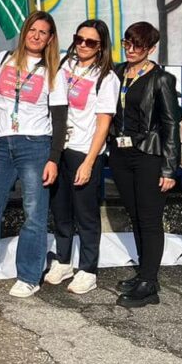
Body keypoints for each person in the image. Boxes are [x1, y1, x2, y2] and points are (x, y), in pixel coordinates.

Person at [0, 11, 68, 298]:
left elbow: (59, 119)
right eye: (32, 30)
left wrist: (53, 159)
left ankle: (30, 275)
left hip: (35, 145)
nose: (36, 35)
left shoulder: (54, 71)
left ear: (49, 39)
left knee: (33, 214)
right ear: (24, 32)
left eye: (42, 32)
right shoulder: (5, 59)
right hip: (2, 144)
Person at [45, 20, 119, 297]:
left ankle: (88, 269)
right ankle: (63, 260)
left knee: (86, 214)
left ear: (101, 47)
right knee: (61, 210)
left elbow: (103, 124)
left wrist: (89, 162)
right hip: (60, 149)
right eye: (80, 39)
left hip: (84, 151)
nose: (83, 45)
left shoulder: (106, 78)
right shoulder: (66, 65)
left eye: (91, 42)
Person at [110, 22, 181, 308]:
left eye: (137, 45)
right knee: (135, 215)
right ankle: (143, 271)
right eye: (127, 43)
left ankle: (150, 284)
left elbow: (170, 124)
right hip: (120, 154)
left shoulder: (161, 79)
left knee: (150, 218)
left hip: (148, 155)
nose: (130, 49)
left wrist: (169, 168)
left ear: (150, 48)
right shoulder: (116, 72)